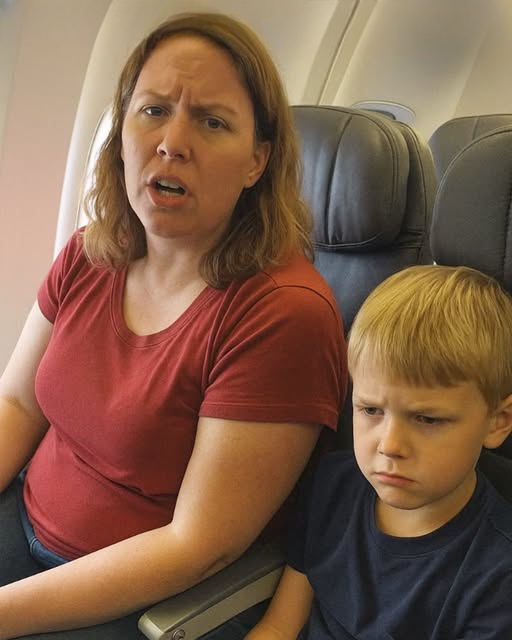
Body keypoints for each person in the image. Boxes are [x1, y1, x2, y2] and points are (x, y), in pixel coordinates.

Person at [0, 12, 346, 640]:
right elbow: (17, 405)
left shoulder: (282, 314)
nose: (172, 142)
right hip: (22, 525)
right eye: (154, 110)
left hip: (144, 602)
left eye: (212, 122)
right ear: (121, 133)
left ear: (257, 161)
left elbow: (198, 545)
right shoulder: (90, 252)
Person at [246, 264, 512, 640]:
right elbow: (280, 626)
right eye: (371, 410)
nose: (389, 445)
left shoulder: (497, 575)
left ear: (498, 422)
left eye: (427, 419)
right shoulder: (334, 486)